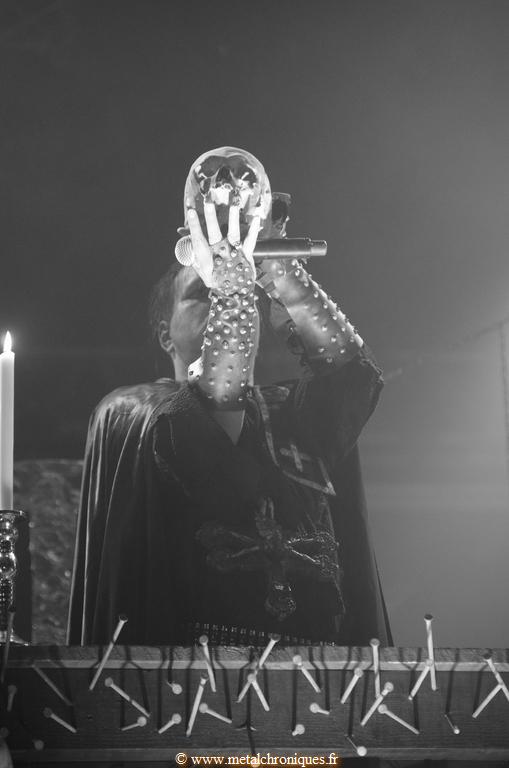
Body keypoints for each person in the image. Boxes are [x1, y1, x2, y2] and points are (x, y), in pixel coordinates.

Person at [67, 147, 392, 648]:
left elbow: (353, 379)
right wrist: (235, 287)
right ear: (165, 333)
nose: (219, 293)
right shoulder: (136, 410)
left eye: (226, 289)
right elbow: (214, 427)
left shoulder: (287, 412)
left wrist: (282, 274)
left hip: (321, 666)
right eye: (202, 293)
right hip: (197, 666)